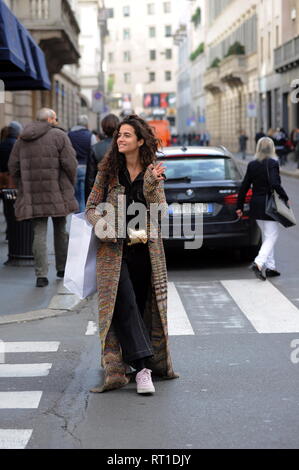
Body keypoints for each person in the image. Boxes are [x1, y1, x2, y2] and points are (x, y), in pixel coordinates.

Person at [85, 114, 178, 394]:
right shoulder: (109, 171)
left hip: (145, 253)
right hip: (113, 254)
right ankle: (143, 370)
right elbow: (90, 207)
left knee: (136, 308)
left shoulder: (152, 172)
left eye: (126, 135)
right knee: (123, 302)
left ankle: (133, 363)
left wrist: (152, 186)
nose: (120, 139)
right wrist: (101, 224)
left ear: (140, 141)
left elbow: (160, 215)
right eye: (119, 135)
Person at [8, 108, 78, 287]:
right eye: (55, 118)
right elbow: (70, 164)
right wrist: (70, 182)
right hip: (57, 191)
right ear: (49, 119)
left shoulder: (22, 139)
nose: (56, 121)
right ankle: (61, 268)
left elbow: (13, 166)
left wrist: (22, 184)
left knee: (38, 232)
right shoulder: (59, 136)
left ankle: (41, 275)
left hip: (33, 193)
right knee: (60, 229)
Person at [236, 137, 289, 280]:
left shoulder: (252, 164)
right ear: (272, 149)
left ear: (258, 148)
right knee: (272, 235)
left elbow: (244, 186)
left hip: (256, 206)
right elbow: (275, 184)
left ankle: (271, 267)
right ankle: (258, 263)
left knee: (267, 235)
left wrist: (239, 206)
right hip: (268, 206)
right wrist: (285, 197)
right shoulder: (272, 163)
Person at [84, 114, 119, 202]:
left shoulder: (95, 148)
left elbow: (90, 179)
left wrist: (89, 203)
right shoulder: (124, 146)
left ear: (103, 129)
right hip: (121, 196)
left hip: (101, 196)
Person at [68, 115, 97, 212]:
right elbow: (94, 153)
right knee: (85, 195)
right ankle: (84, 216)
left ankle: (78, 217)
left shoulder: (69, 135)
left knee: (76, 196)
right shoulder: (91, 136)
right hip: (87, 169)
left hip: (74, 168)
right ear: (86, 124)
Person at [0, 122, 23, 239]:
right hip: (13, 181)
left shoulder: (2, 144)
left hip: (3, 180)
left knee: (6, 204)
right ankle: (13, 230)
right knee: (14, 205)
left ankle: (9, 229)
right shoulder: (17, 145)